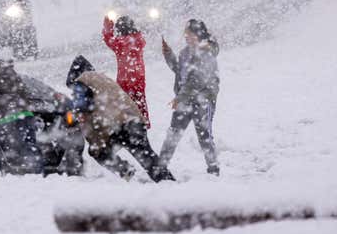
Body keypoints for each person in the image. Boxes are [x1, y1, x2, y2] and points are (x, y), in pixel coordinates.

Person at [66, 55, 174, 182]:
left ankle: (125, 170)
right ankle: (168, 182)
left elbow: (82, 108)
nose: (73, 92)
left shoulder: (81, 81)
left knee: (99, 152)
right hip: (133, 120)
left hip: (119, 125)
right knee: (146, 157)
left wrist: (73, 119)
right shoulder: (100, 78)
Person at [159, 19, 221, 176]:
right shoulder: (185, 53)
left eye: (190, 34)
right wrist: (168, 54)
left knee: (204, 135)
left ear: (198, 34)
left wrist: (179, 98)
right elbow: (179, 71)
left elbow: (196, 80)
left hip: (203, 100)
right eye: (185, 33)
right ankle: (160, 167)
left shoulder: (206, 53)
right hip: (185, 99)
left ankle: (213, 169)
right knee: (173, 133)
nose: (186, 36)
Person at [102, 15, 151, 127]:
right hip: (139, 79)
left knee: (125, 109)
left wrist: (107, 29)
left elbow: (109, 40)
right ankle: (142, 124)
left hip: (125, 80)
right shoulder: (138, 40)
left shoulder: (121, 43)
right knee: (139, 102)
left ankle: (129, 128)